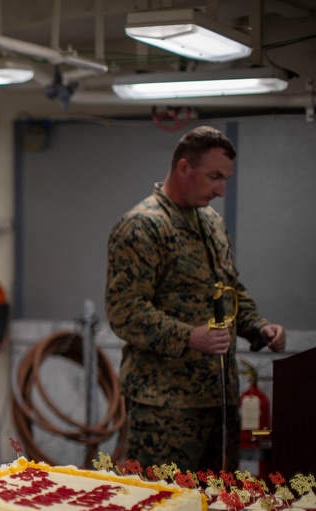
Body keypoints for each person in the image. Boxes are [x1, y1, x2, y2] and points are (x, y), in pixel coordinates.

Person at [106, 125, 285, 473]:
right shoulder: (142, 226)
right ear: (184, 168)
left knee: (217, 509)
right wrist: (188, 336)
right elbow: (124, 311)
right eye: (214, 177)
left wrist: (259, 327)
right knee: (157, 508)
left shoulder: (212, 223)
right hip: (164, 409)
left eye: (226, 180)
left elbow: (230, 290)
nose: (220, 190)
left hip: (218, 401)